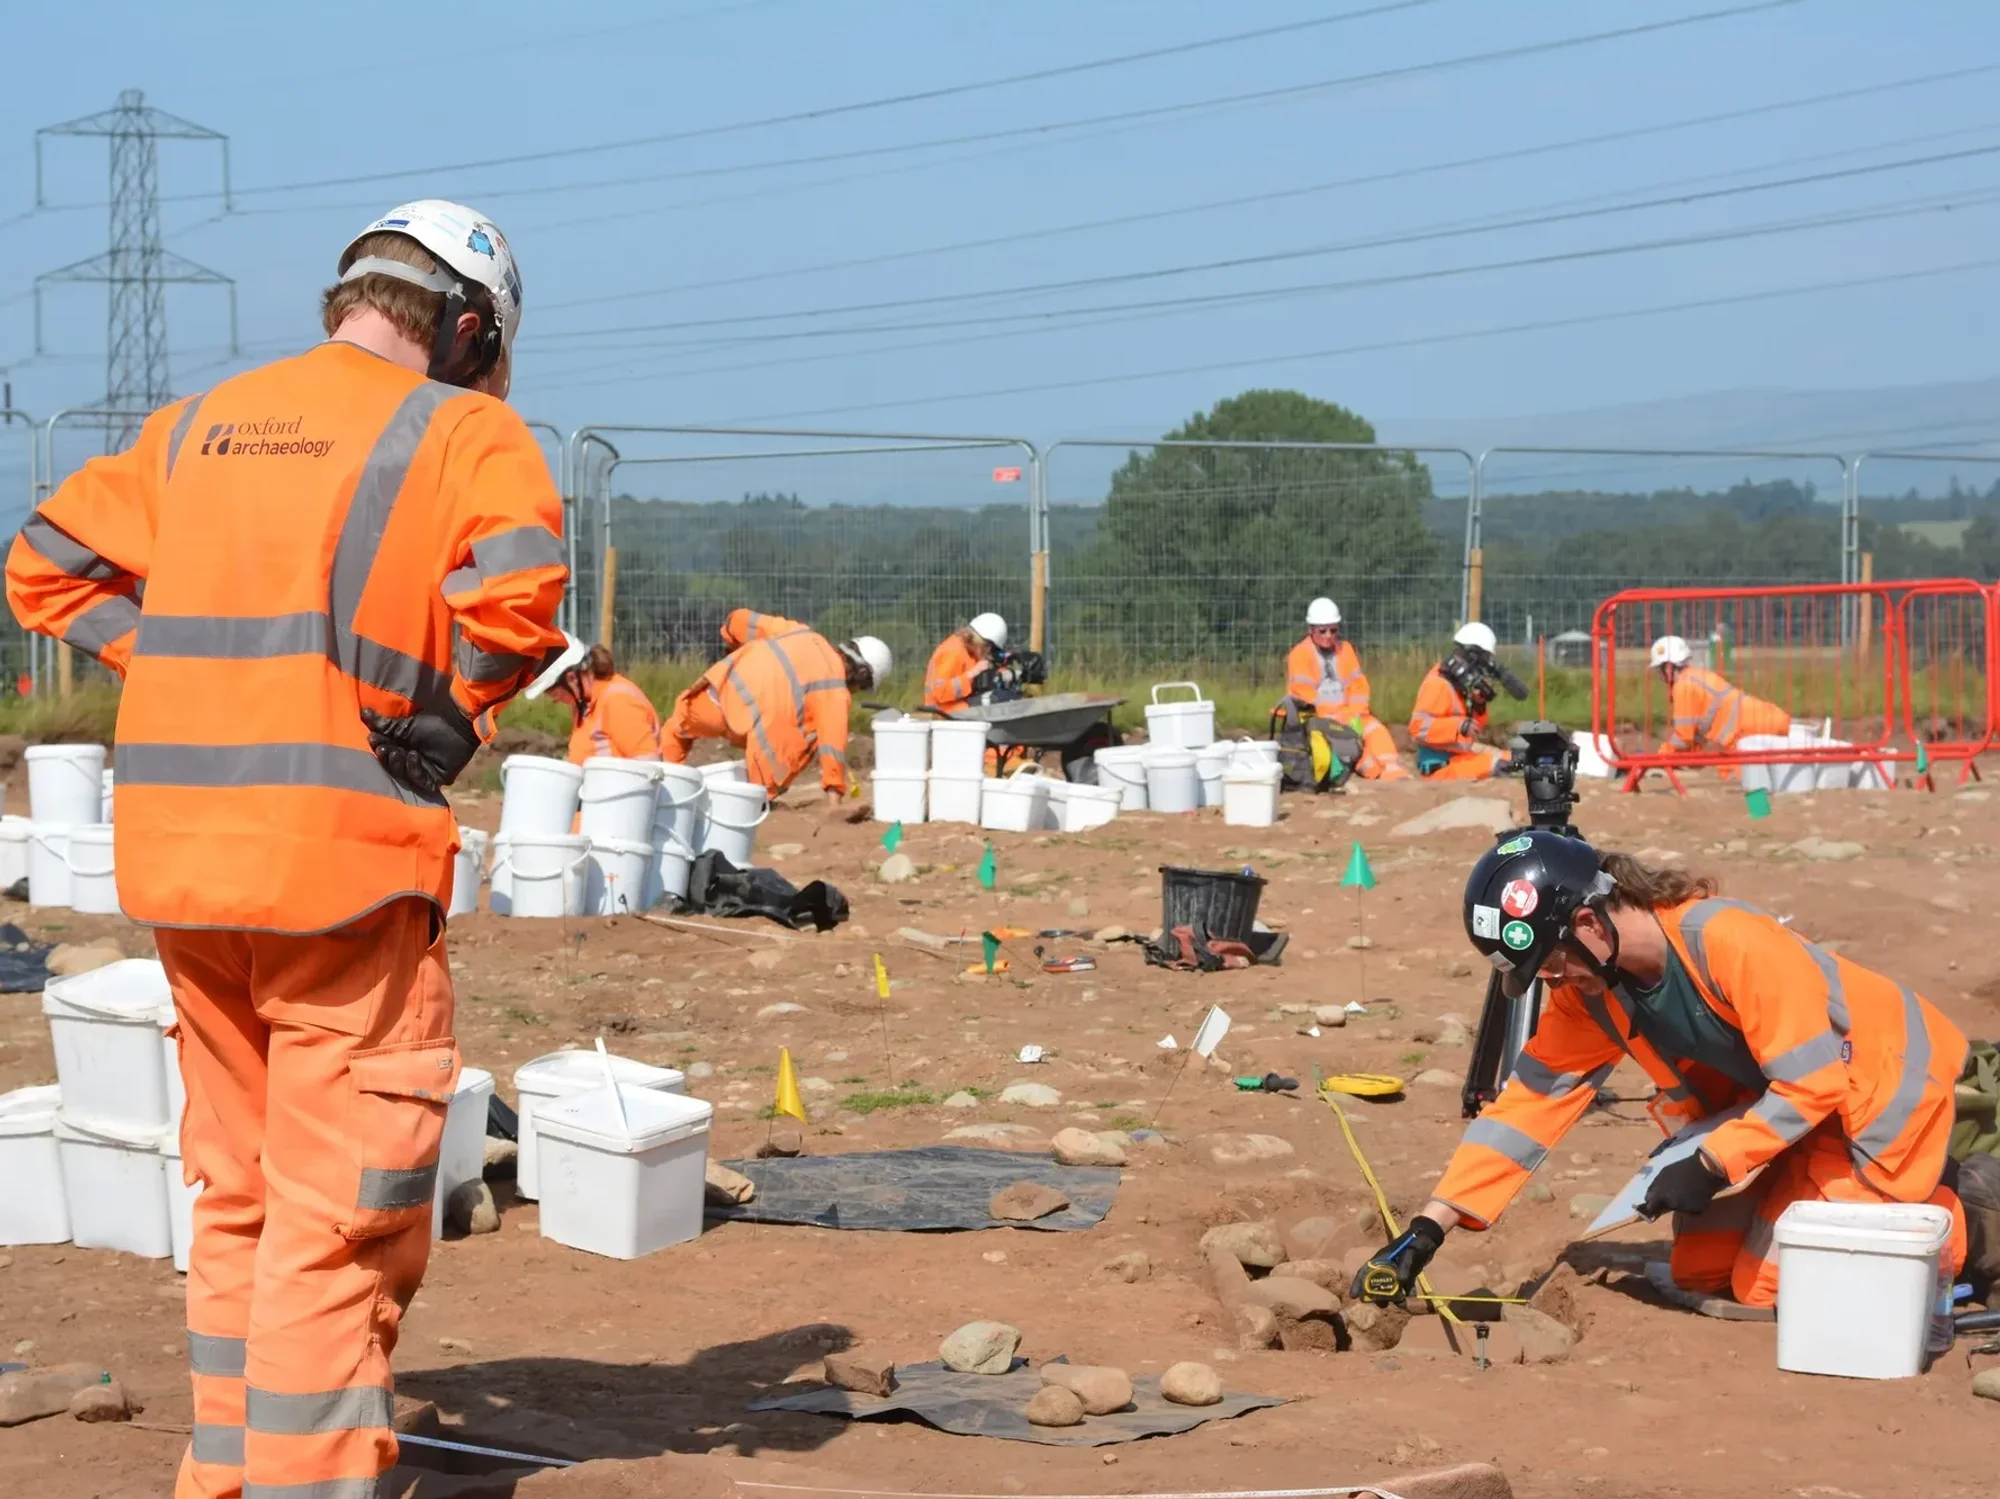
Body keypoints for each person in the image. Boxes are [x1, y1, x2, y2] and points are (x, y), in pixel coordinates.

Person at [5, 200, 566, 1499]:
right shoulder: (463, 428)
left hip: (184, 865)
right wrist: (453, 710)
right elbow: (518, 591)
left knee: (239, 1189)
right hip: (341, 863)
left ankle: (231, 1472)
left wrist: (197, 669)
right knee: (338, 1213)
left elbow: (40, 566)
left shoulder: (200, 424)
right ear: (471, 329)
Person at [1352, 831, 1967, 1314]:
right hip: (1800, 1122)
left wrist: (1710, 1164)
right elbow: (1524, 1108)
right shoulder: (1595, 989)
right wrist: (1429, 1229)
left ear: (1590, 924)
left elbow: (1815, 1081)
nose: (1551, 980)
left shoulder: (1729, 941)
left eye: (1551, 962)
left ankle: (1958, 1215)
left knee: (1764, 1287)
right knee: (1699, 1267)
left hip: (1884, 1104)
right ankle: (1822, 1189)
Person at [661, 607, 890, 808]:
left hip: (715, 698)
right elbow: (832, 747)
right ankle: (760, 798)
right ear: (861, 673)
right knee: (809, 738)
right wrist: (834, 799)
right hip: (753, 730)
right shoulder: (836, 691)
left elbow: (738, 620)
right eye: (862, 686)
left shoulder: (798, 631)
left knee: (676, 729)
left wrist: (730, 644)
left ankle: (658, 788)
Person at [1284, 596, 1408, 780]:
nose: (1329, 636)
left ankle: (1393, 769)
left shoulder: (1346, 649)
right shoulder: (1300, 655)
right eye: (1323, 631)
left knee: (1374, 728)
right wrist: (1336, 716)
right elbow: (1306, 696)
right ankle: (1373, 771)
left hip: (1349, 715)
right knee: (1356, 753)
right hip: (1318, 721)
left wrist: (1355, 713)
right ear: (1311, 630)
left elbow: (1358, 685)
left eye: (1333, 630)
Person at [1651, 634, 1790, 756]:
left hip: (1752, 732)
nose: (1659, 676)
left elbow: (1683, 737)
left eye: (1659, 669)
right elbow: (1698, 730)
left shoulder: (1683, 687)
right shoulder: (1697, 677)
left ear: (1668, 668)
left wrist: (1661, 755)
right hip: (1767, 721)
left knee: (1741, 777)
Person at [528, 635, 662, 762]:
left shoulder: (618, 701)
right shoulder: (585, 706)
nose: (557, 701)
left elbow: (649, 767)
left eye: (556, 694)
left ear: (572, 679)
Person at [1408, 623, 1513, 781]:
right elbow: (1417, 728)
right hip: (1441, 767)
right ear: (1472, 655)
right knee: (1500, 764)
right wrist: (1458, 726)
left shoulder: (1457, 684)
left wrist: (1479, 705)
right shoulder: (1439, 683)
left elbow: (1473, 728)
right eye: (1485, 658)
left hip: (1459, 757)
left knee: (1512, 758)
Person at [925, 611, 1011, 715]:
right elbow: (941, 692)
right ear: (983, 642)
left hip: (957, 709)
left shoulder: (970, 651)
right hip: (944, 713)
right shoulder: (954, 652)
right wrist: (972, 674)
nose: (989, 652)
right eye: (990, 648)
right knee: (997, 701)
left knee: (1005, 696)